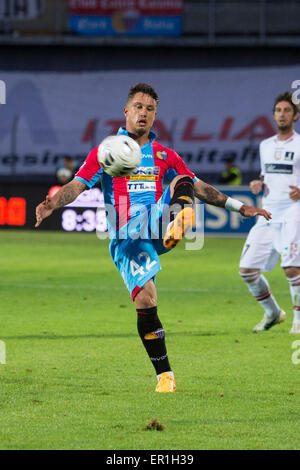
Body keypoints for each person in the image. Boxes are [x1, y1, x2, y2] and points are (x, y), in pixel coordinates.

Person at [36, 83, 271, 392]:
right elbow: (78, 185)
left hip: (158, 220)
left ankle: (180, 218)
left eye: (149, 109)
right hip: (128, 236)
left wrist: (239, 207)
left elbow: (199, 186)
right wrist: (53, 202)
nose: (143, 113)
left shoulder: (163, 154)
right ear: (126, 111)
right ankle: (165, 377)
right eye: (138, 107)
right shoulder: (106, 152)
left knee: (183, 178)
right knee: (146, 299)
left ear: (155, 115)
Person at [239, 91, 300, 334]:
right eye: (278, 110)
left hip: (293, 213)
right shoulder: (265, 146)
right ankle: (274, 313)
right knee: (247, 271)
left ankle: (298, 320)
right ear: (273, 115)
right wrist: (258, 184)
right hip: (267, 214)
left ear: (295, 116)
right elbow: (267, 176)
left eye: (287, 110)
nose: (282, 114)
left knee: (292, 268)